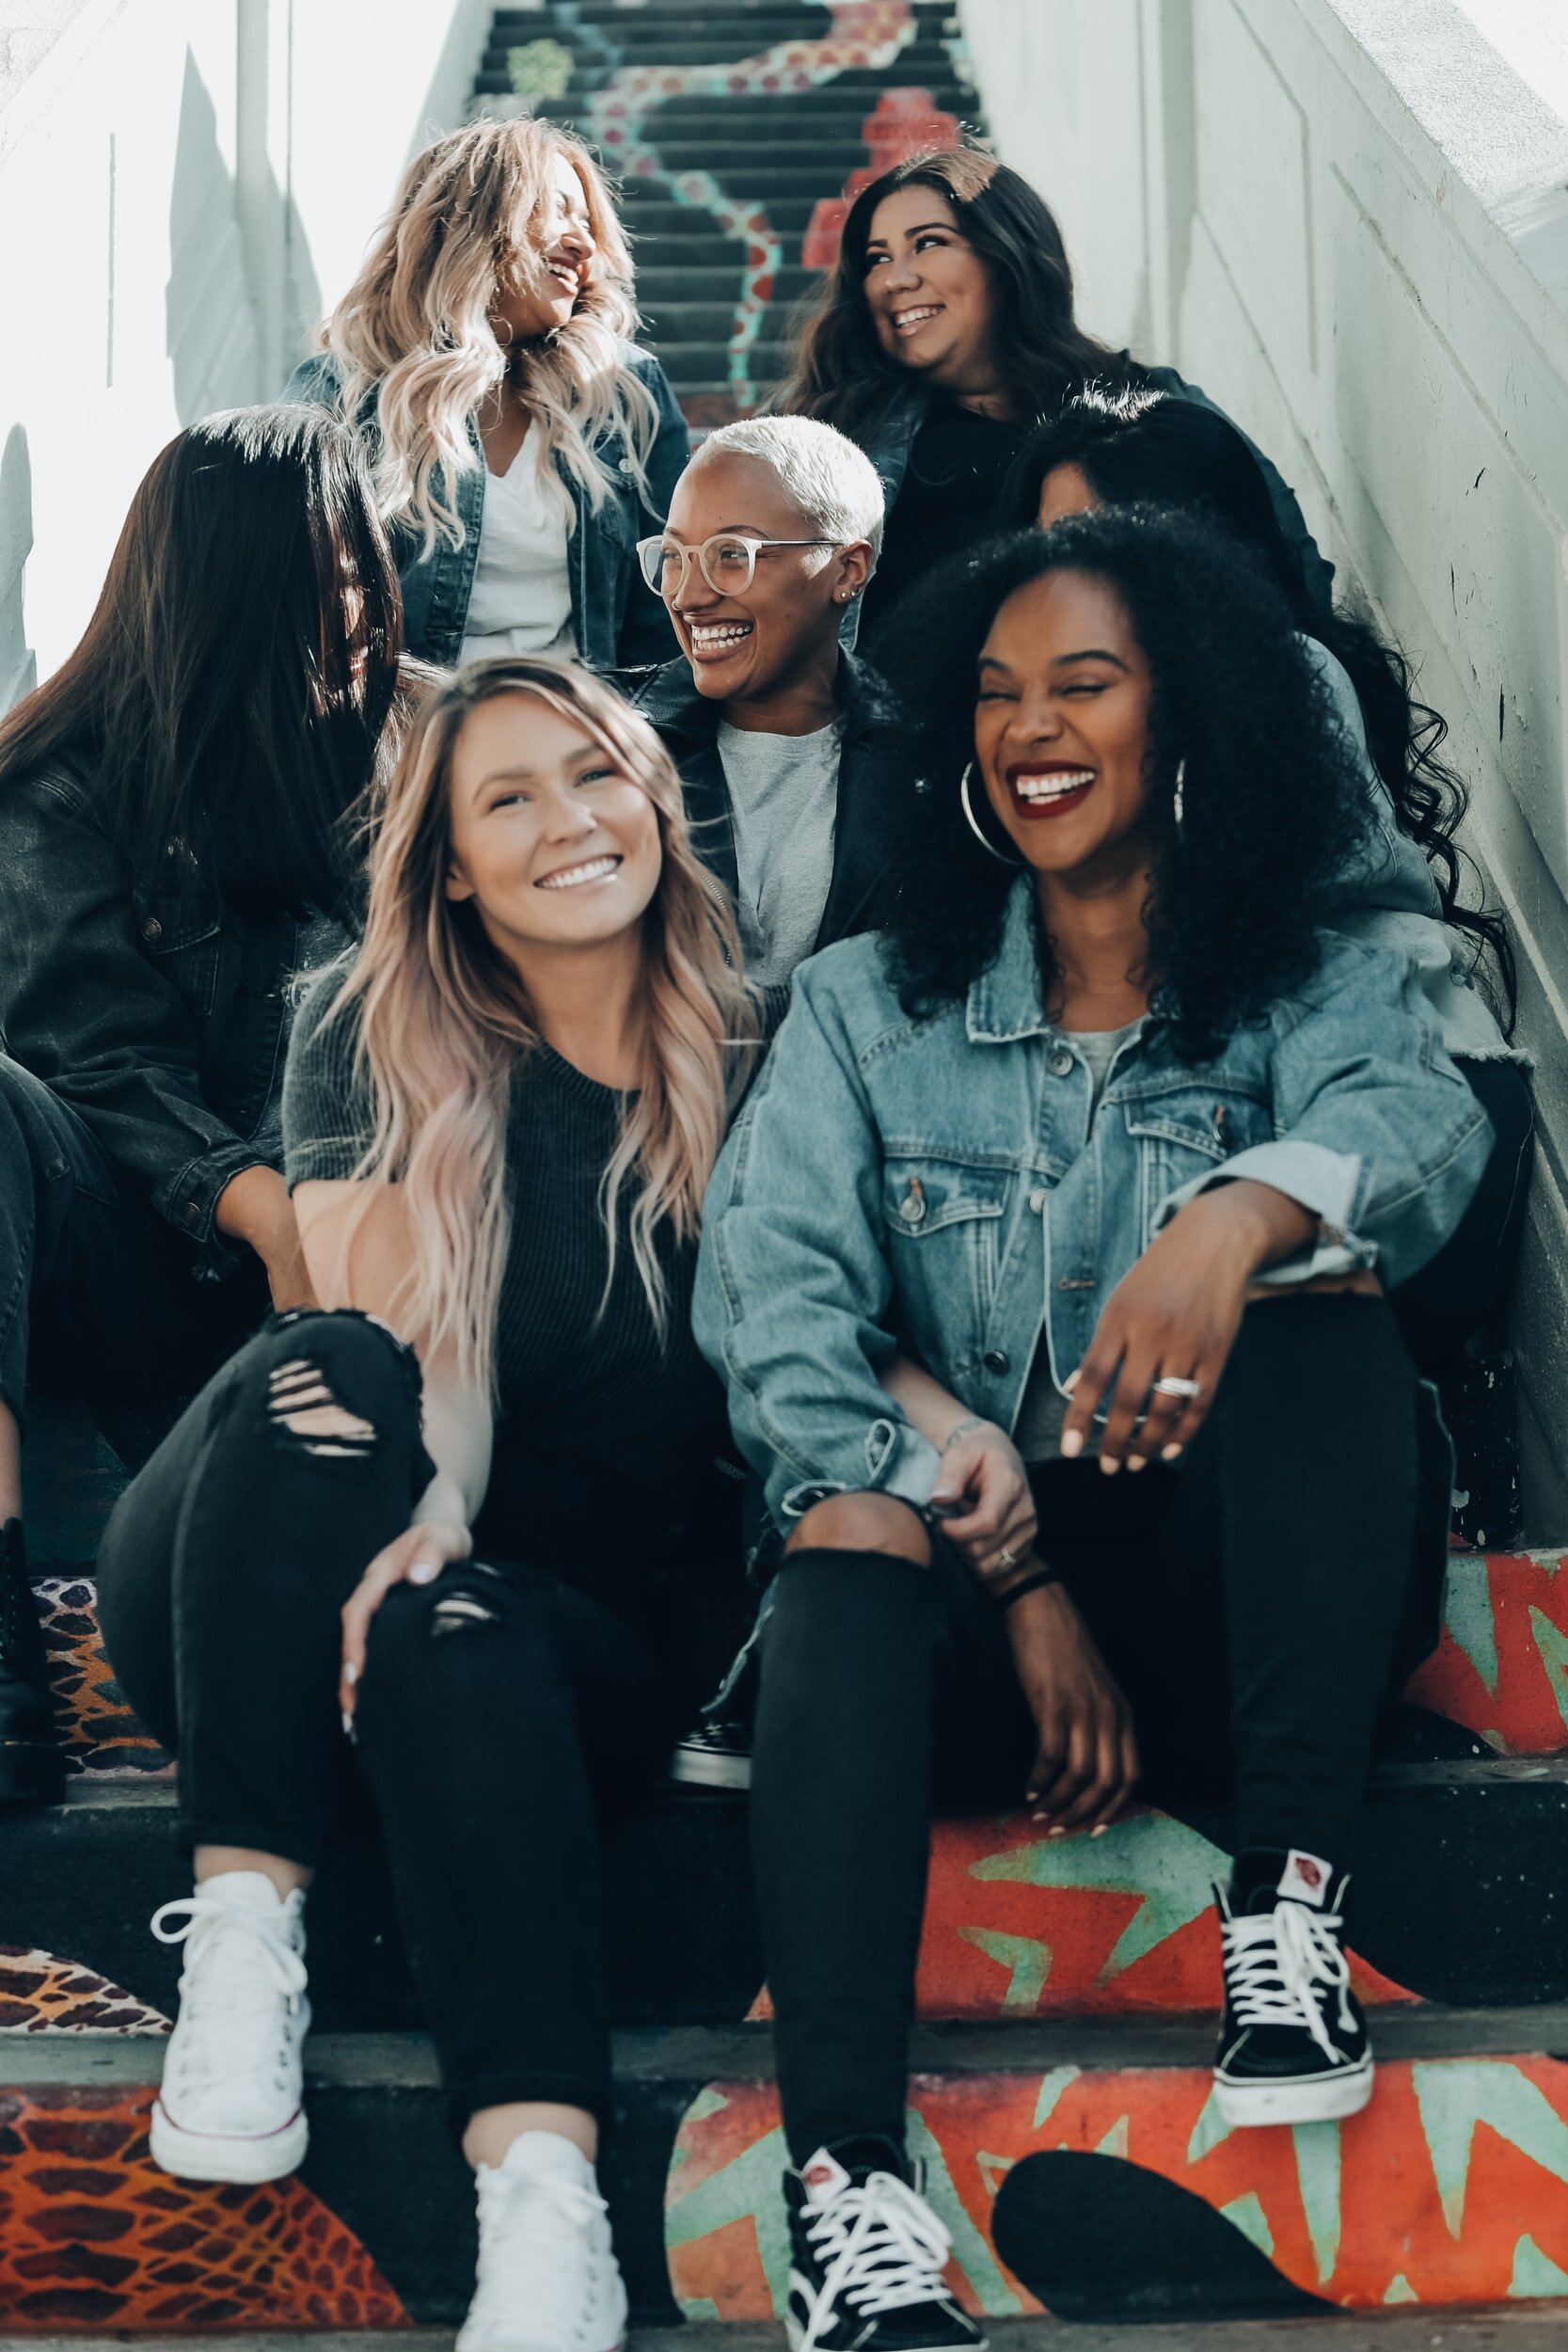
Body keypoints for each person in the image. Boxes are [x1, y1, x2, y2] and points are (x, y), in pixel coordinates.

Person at [692, 513, 1490, 2349]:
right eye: (990, 692)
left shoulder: (1299, 982)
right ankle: (846, 2191)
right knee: (837, 1534)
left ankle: (1282, 1914)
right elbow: (762, 1304)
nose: (1026, 726)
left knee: (1312, 1286)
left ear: (1186, 715)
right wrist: (1010, 1560)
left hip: (1250, 1604)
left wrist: (1231, 1214)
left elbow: (1418, 1125)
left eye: (1081, 681)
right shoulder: (861, 1011)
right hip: (978, 1618)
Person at [95, 656, 755, 2351]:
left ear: (658, 795)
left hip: (545, 1642)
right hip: (275, 1583)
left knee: (455, 1629)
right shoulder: (365, 1018)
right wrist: (433, 1504)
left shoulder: (759, 1046)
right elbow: (411, 1344)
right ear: (450, 863)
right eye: (507, 800)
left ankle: (544, 2217)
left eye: (595, 774)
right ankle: (243, 1927)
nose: (567, 823)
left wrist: (450, 1570)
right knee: (329, 1366)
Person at [0, 405, 403, 1806]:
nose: (359, 605)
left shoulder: (409, 748)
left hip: (389, 1245)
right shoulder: (60, 783)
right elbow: (96, 1061)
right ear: (226, 589)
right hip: (151, 1248)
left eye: (364, 564)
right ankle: (3, 1635)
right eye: (324, 574)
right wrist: (267, 1210)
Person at [997, 387, 1531, 1375]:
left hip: (1404, 1120)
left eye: (1098, 539)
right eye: (1048, 544)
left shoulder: (1273, 669)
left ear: (1203, 539)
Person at [778, 145, 1331, 650]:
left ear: (1006, 255)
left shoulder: (1152, 409)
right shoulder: (834, 436)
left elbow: (1282, 567)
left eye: (928, 243)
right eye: (877, 258)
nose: (895, 279)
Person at [288, 118, 689, 671]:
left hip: (580, 732)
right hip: (411, 740)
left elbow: (668, 614)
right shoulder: (341, 391)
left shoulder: (623, 391)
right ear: (473, 221)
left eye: (588, 222)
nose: (584, 243)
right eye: (560, 210)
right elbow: (296, 602)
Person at [621, 413, 895, 1003]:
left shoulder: (930, 767)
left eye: (730, 555)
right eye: (674, 556)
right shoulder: (605, 744)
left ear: (847, 570)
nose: (689, 596)